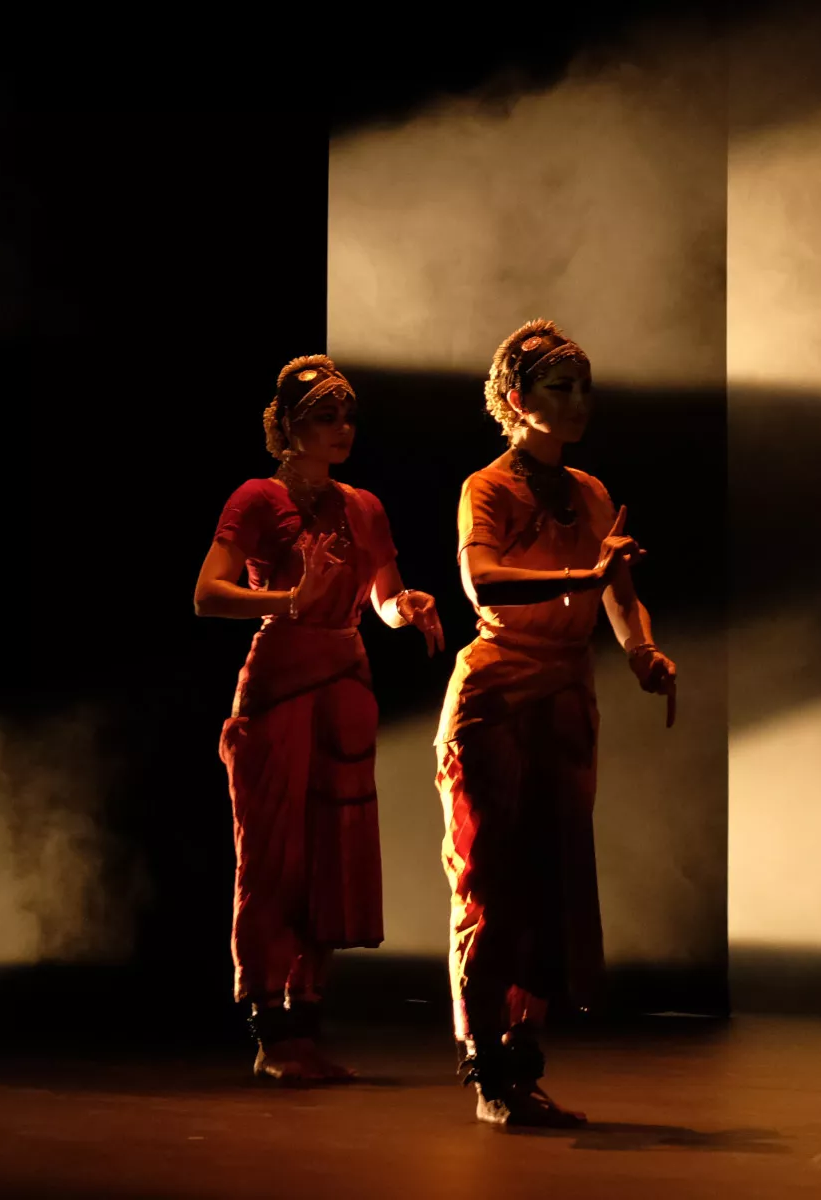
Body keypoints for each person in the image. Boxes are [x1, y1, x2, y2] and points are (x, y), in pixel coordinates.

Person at [436, 319, 678, 1127]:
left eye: (584, 387)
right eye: (558, 388)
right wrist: (586, 570)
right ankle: (487, 1067)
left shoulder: (592, 490)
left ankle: (525, 1061)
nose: (578, 403)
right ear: (516, 400)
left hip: (567, 701)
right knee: (493, 883)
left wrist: (642, 651)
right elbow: (484, 584)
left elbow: (618, 592)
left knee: (551, 885)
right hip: (499, 698)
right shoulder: (488, 488)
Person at [194, 354, 445, 1083]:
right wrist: (282, 602)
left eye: (347, 417)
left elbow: (383, 596)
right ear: (289, 427)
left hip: (345, 684)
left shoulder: (364, 506)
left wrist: (409, 608)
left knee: (334, 857)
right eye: (325, 417)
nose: (342, 430)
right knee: (275, 857)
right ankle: (270, 1031)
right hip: (280, 682)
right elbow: (208, 593)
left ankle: (307, 1024)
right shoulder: (256, 498)